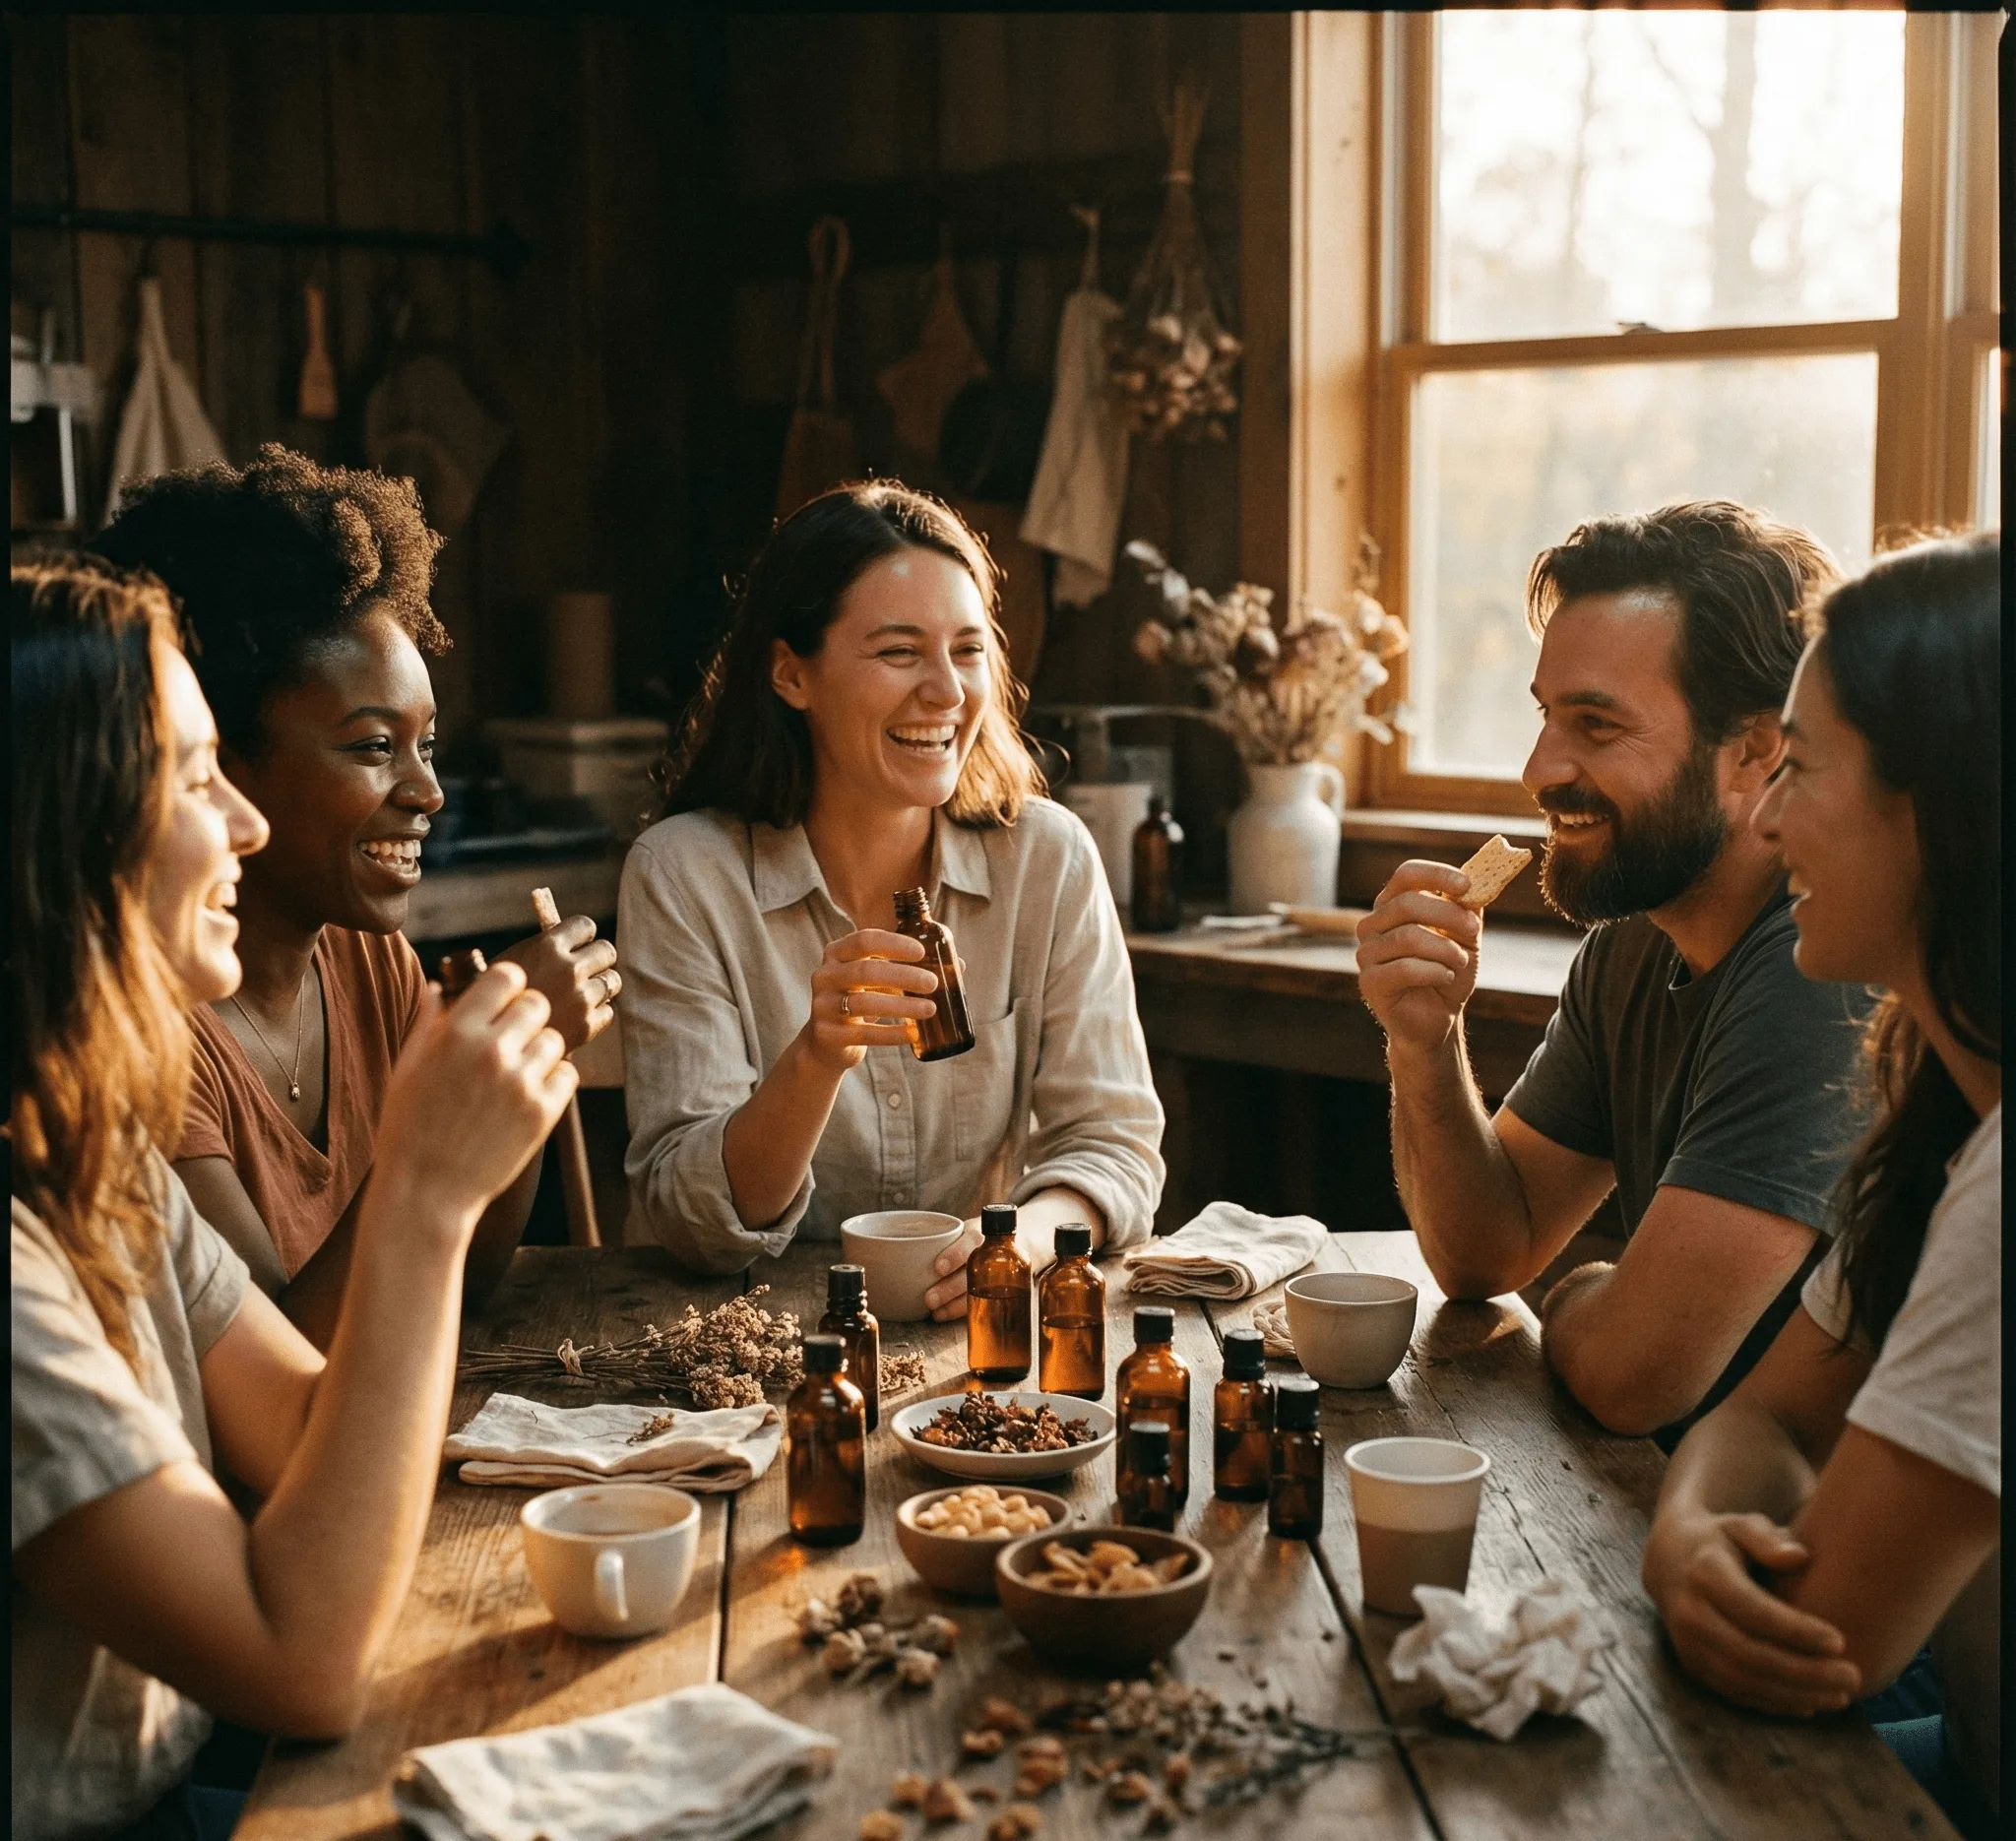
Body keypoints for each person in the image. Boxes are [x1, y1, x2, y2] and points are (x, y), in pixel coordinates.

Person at [11, 555, 578, 1841]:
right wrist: (424, 1190)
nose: (248, 826)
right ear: (66, 824)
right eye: (197, 776)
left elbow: (316, 1425)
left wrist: (472, 1155)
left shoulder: (95, 1169)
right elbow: (304, 1657)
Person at [1354, 501, 1871, 1445]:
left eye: (1596, 725)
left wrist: (1590, 1286)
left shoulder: (1821, 969)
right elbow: (1485, 1254)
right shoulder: (1636, 934)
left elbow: (1636, 1380)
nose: (1540, 768)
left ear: (1756, 750)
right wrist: (1425, 1042)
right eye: (1549, 716)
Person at [93, 447, 618, 1347]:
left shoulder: (365, 960)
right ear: (214, 759)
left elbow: (465, 1278)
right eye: (375, 748)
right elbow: (284, 1363)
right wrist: (432, 1145)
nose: (427, 792)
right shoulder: (145, 1043)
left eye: (426, 744)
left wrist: (521, 1060)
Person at [1641, 533, 1999, 1840]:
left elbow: (1813, 1632)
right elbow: (1774, 1422)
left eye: (1802, 763)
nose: (1769, 813)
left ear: (1940, 803)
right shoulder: (1941, 1108)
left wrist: (1699, 1562)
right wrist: (1686, 1539)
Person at [619, 482, 1164, 1308]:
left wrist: (1014, 1248)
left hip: (978, 1336)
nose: (947, 692)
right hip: (751, 1333)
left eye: (969, 650)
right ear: (791, 673)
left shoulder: (1048, 859)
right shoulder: (683, 874)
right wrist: (815, 1060)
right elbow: (694, 1224)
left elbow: (1114, 1144)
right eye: (900, 652)